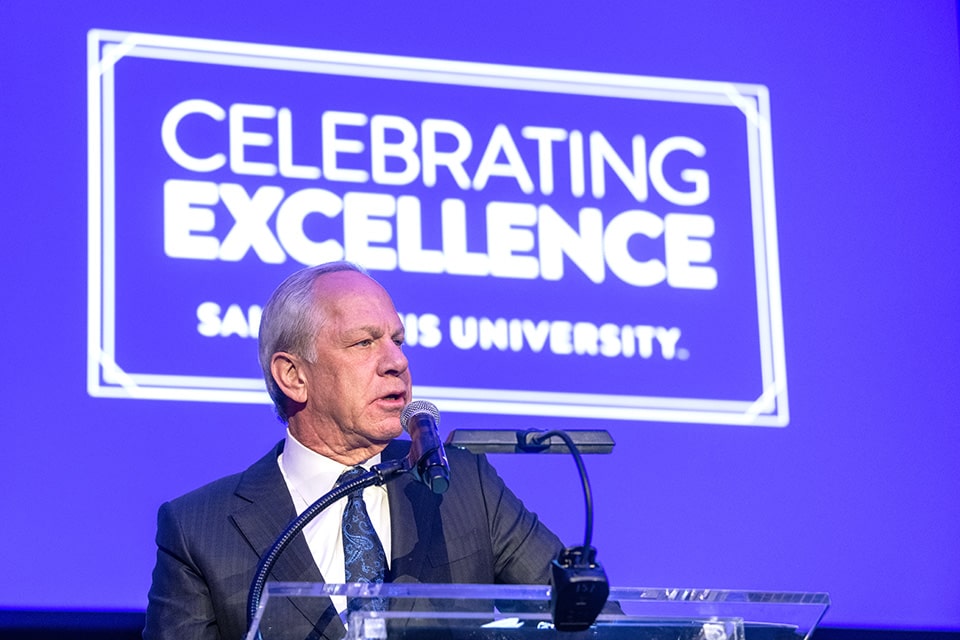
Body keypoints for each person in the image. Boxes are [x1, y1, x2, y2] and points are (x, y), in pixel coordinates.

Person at [143, 262, 564, 640]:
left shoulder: (465, 484)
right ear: (293, 376)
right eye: (364, 343)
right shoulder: (199, 529)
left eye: (398, 341)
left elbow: (587, 621)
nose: (396, 361)